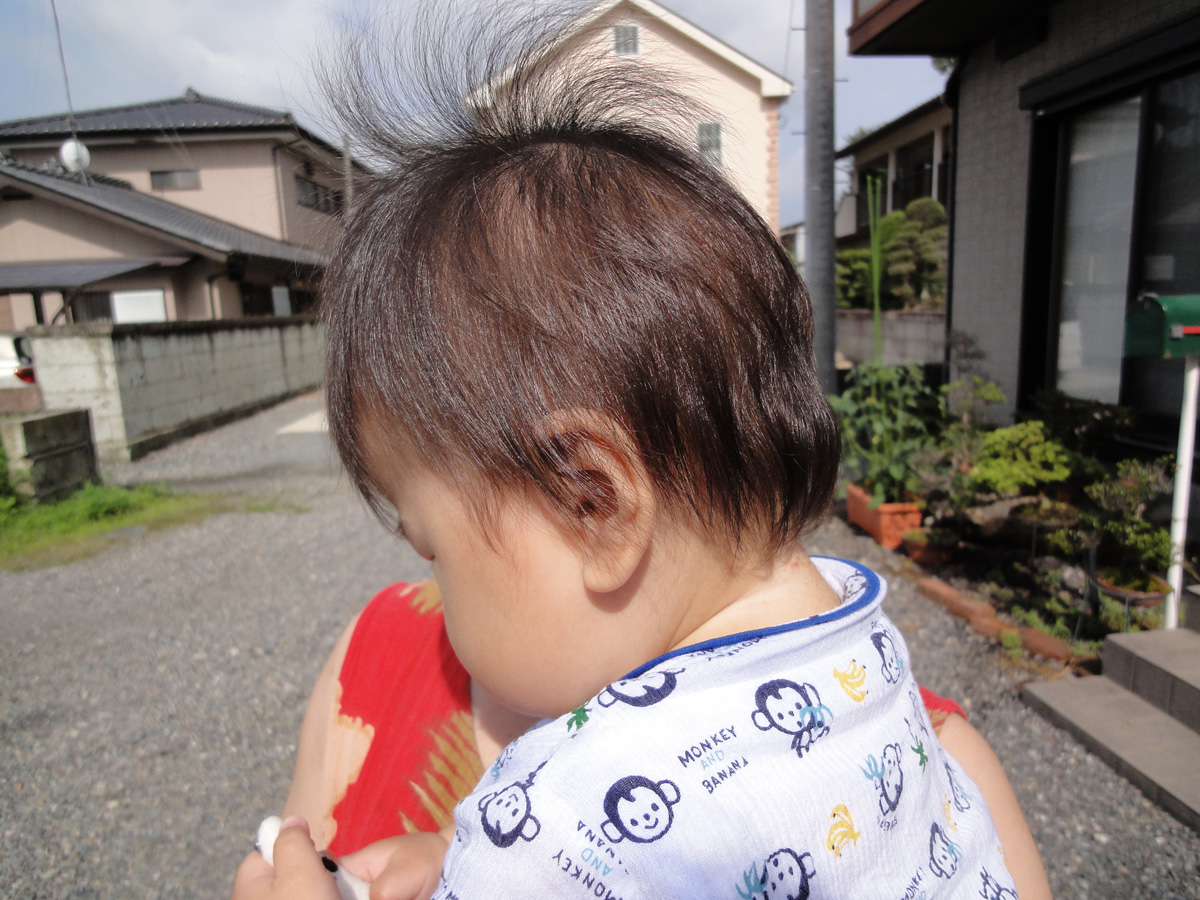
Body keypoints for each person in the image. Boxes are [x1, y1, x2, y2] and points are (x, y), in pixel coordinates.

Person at [233, 6, 1051, 899]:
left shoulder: (558, 821)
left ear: (591, 500)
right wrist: (452, 861)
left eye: (434, 549)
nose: (439, 604)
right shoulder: (869, 659)